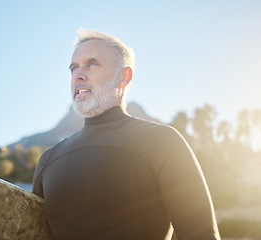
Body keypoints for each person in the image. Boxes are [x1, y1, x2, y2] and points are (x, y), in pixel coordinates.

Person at [32, 28, 221, 240]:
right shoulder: (48, 161)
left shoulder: (163, 142)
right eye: (73, 68)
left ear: (124, 76)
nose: (78, 75)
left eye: (92, 64)